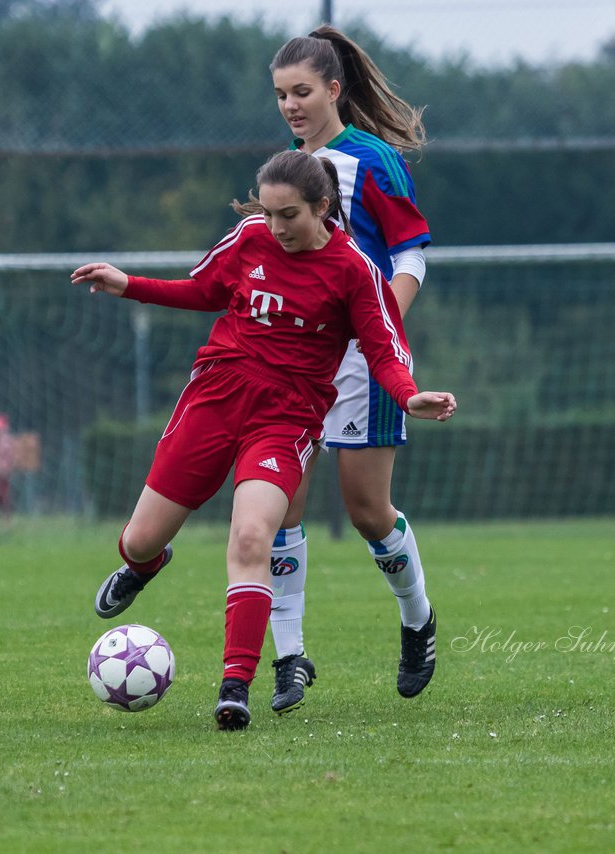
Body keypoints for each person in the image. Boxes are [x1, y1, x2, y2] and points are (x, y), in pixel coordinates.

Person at [71, 150, 456, 731]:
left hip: (288, 417)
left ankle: (235, 687)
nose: (277, 228)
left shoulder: (354, 270)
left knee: (252, 536)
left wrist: (409, 397)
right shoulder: (251, 236)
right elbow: (203, 290)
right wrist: (128, 285)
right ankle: (145, 565)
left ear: (323, 208)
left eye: (291, 216)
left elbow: (384, 347)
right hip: (215, 397)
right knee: (140, 540)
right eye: (270, 213)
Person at [266, 26, 437, 714]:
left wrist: (380, 323)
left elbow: (412, 255)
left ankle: (418, 620)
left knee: (368, 512)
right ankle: (288, 658)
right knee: (279, 501)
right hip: (298, 358)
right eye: (280, 95)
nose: (291, 106)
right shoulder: (287, 169)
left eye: (302, 92)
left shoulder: (373, 161)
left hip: (368, 362)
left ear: (334, 90)